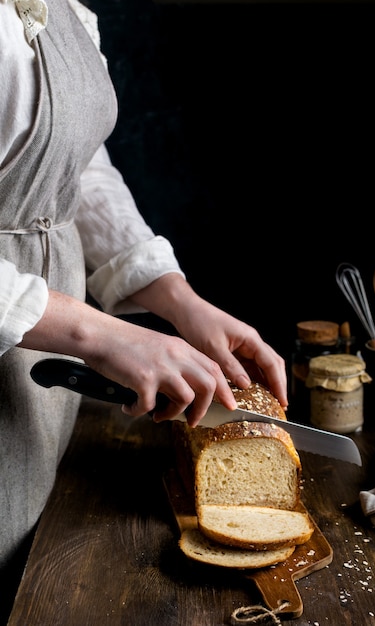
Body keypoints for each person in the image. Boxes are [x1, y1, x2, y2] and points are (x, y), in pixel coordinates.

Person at [0, 0, 288, 618]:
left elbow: (78, 170)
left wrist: (174, 296)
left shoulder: (68, 8)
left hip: (49, 365)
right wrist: (99, 333)